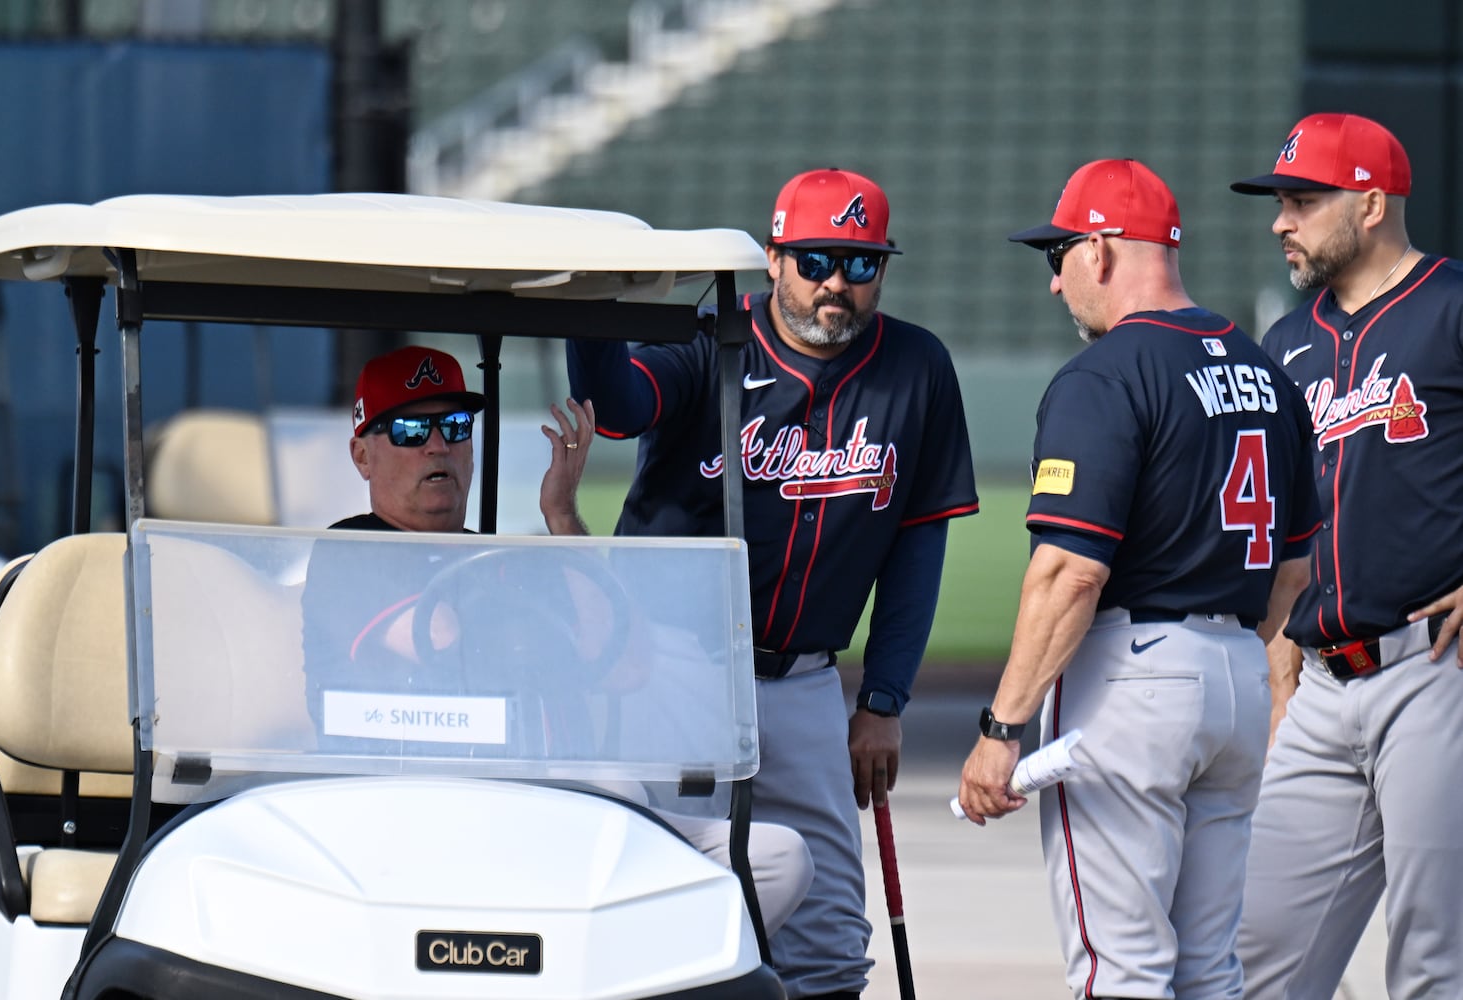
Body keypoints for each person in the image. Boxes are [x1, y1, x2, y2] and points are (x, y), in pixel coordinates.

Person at [567, 167, 979, 999]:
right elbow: (614, 405)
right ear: (774, 260)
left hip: (804, 681)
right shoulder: (709, 337)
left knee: (828, 934)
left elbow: (915, 545)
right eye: (817, 260)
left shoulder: (915, 366)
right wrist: (596, 298)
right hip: (666, 666)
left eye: (861, 265)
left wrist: (885, 701)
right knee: (652, 897)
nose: (837, 284)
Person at [956, 159, 1321, 1000]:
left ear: (1100, 250)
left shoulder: (1107, 372)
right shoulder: (1261, 367)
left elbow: (1068, 570)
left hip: (1133, 681)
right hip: (1234, 673)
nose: (1054, 285)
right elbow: (1293, 569)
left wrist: (1001, 729)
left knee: (1119, 971)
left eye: (1058, 259)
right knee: (1207, 971)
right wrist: (1238, 670)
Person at [301, 343, 813, 935]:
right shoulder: (351, 551)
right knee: (617, 793)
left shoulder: (504, 558)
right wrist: (538, 602)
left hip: (552, 806)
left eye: (455, 425)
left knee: (777, 859)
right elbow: (443, 641)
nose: (438, 445)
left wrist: (562, 519)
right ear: (362, 454)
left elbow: (626, 665)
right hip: (422, 817)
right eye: (413, 429)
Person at [1229, 112, 1463, 999]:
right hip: (1321, 688)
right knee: (1255, 961)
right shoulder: (1284, 346)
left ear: (1369, 204)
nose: (1279, 221)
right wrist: (1279, 674)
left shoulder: (1448, 308)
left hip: (1431, 672)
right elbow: (1287, 532)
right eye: (1280, 201)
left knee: (1432, 961)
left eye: (1300, 200)